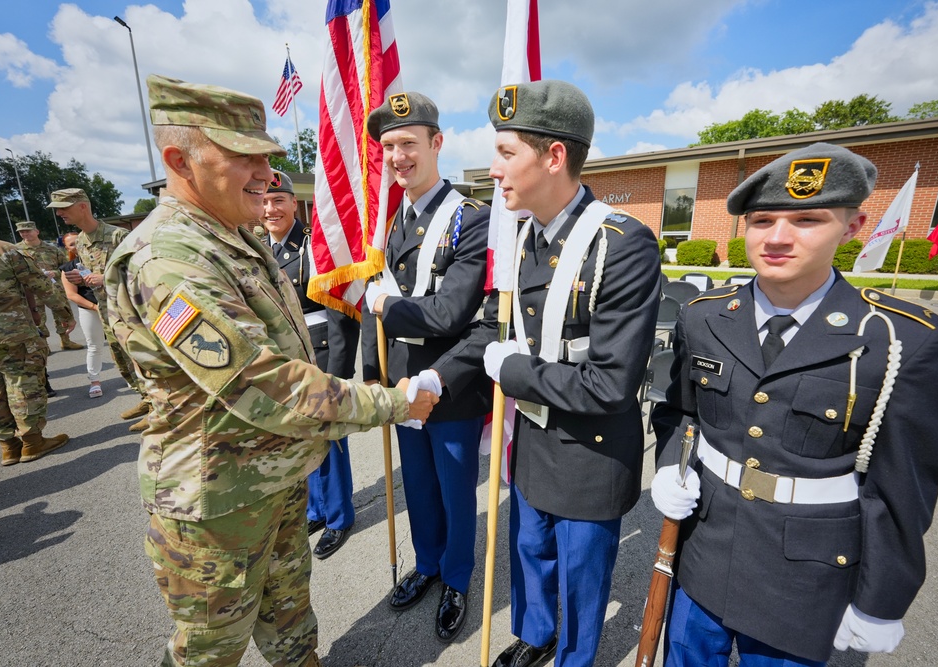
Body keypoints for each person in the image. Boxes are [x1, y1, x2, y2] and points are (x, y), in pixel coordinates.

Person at [104, 74, 437, 667]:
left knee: (290, 625)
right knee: (211, 648)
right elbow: (262, 383)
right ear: (179, 159)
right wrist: (390, 402)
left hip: (272, 477)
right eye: (240, 156)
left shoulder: (232, 235)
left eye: (265, 155)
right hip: (215, 502)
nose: (263, 173)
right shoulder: (170, 257)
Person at [650, 142, 938, 666]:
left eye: (808, 219)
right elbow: (682, 413)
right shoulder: (704, 317)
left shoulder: (899, 340)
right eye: (762, 219)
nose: (778, 237)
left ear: (853, 225)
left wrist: (881, 600)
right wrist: (668, 466)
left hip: (806, 578)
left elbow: (903, 489)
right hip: (705, 552)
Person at [434, 80, 662, 667]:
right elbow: (492, 326)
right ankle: (537, 636)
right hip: (533, 440)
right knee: (530, 551)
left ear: (554, 156)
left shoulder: (621, 244)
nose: (494, 168)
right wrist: (437, 378)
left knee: (583, 579)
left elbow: (609, 383)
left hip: (590, 450)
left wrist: (511, 371)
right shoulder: (522, 237)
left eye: (507, 152)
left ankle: (574, 657)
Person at [361, 91, 492, 643]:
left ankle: (458, 579)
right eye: (389, 146)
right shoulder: (392, 221)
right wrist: (372, 371)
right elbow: (377, 297)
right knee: (416, 485)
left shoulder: (470, 218)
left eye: (408, 143)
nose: (398, 156)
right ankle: (429, 562)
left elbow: (449, 312)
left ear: (437, 143)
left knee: (455, 489)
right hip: (400, 381)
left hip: (449, 385)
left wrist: (385, 305)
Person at [262, 169, 361, 560]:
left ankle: (338, 517)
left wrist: (337, 369)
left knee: (329, 437)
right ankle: (315, 508)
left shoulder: (313, 247)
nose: (271, 209)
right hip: (282, 361)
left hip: (318, 355)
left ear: (293, 203)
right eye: (265, 202)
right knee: (300, 438)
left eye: (279, 201)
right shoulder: (256, 249)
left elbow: (338, 313)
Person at [0, 196, 76, 465]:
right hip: (11, 333)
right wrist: (64, 314)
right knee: (21, 383)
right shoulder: (1, 248)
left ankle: (8, 447)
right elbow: (39, 283)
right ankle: (32, 442)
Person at [54, 188, 151, 430]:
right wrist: (82, 277)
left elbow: (144, 272)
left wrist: (105, 278)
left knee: (142, 358)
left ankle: (159, 407)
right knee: (121, 359)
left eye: (63, 207)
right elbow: (92, 274)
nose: (58, 213)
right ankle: (146, 399)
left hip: (131, 313)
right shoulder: (82, 242)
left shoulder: (118, 236)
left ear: (82, 206)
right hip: (106, 311)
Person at [15, 220, 84, 351]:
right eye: (21, 232)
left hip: (54, 288)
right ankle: (44, 345)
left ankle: (66, 340)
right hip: (33, 290)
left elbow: (65, 268)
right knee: (38, 317)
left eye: (28, 231)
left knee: (62, 313)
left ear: (36, 232)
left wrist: (55, 272)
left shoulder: (52, 249)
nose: (25, 234)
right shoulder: (16, 250)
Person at [60, 231, 105, 398]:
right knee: (95, 345)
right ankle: (95, 381)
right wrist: (95, 307)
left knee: (122, 343)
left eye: (78, 242)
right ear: (67, 248)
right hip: (90, 309)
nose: (76, 246)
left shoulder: (100, 260)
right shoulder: (68, 268)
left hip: (112, 306)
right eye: (71, 244)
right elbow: (72, 295)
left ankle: (131, 377)